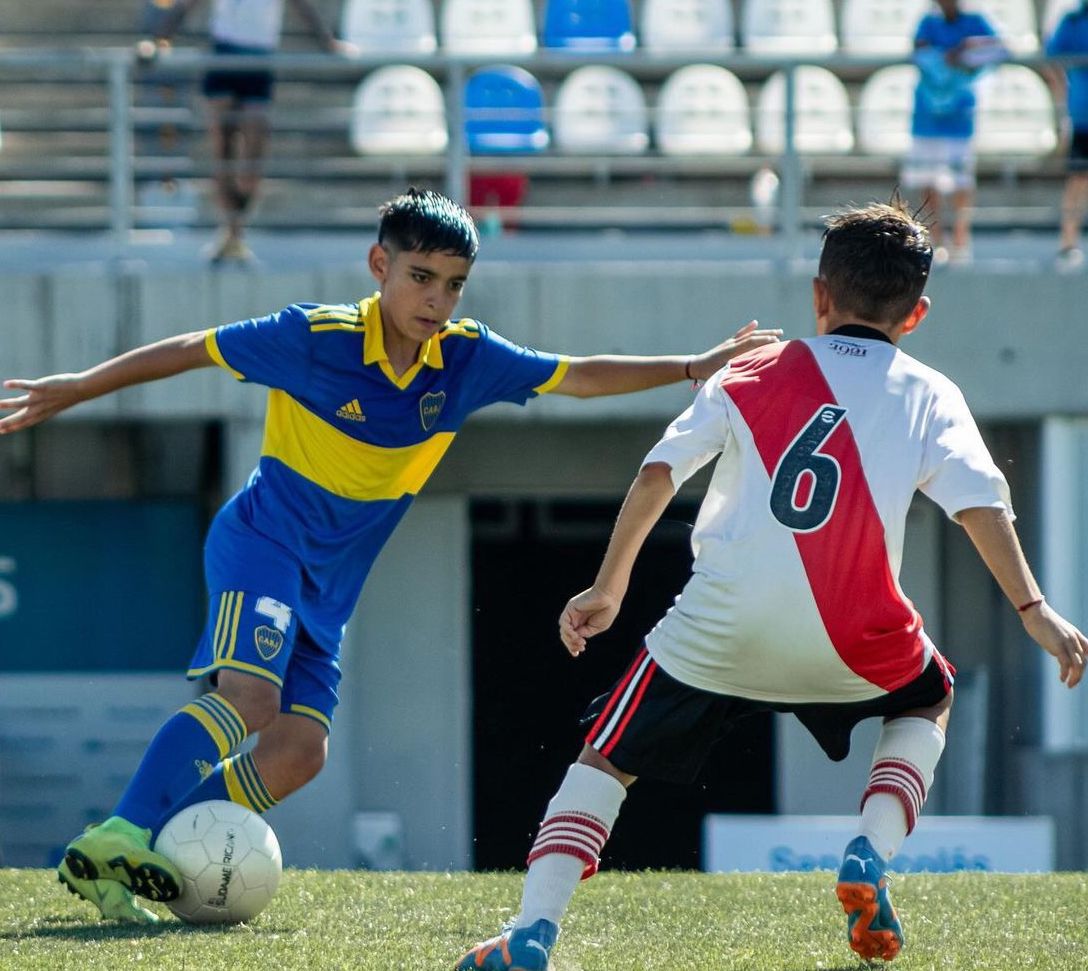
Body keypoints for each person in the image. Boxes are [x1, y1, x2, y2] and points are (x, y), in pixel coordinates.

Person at [0, 188, 781, 925]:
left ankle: (140, 842)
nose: (436, 301)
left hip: (331, 587)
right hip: (264, 543)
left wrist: (690, 367)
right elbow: (191, 349)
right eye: (421, 278)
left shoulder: (467, 360)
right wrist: (75, 386)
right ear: (380, 268)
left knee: (301, 750)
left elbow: (573, 373)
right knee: (249, 697)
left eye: (453, 284)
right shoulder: (315, 336)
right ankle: (123, 831)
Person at [456, 200, 1088, 970]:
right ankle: (869, 850)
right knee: (929, 696)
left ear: (819, 295)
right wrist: (1034, 607)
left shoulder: (750, 369)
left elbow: (659, 472)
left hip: (718, 629)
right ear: (916, 314)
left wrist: (608, 587)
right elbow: (981, 508)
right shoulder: (930, 391)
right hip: (856, 635)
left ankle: (533, 933)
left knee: (604, 760)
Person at [137, 0, 356, 264]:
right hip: (224, 53)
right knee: (223, 149)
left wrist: (327, 41)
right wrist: (159, 38)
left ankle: (235, 229)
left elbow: (302, 7)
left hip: (259, 57)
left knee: (253, 154)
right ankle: (231, 232)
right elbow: (187, 5)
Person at [901, 0, 1006, 266]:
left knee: (960, 182)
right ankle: (935, 240)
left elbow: (999, 50)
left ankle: (960, 240)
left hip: (959, 118)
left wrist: (966, 50)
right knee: (928, 180)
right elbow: (919, 51)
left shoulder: (975, 23)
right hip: (928, 118)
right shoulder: (928, 23)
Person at [1046, 0, 1088, 271]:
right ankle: (1068, 242)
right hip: (1083, 114)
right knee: (1078, 178)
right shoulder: (1073, 20)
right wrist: (1062, 96)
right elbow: (1050, 59)